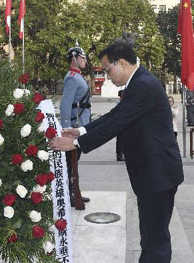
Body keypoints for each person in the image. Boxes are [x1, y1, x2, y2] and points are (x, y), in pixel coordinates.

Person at [49, 42, 184, 263]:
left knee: (155, 240)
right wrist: (80, 131)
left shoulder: (144, 85)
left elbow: (117, 123)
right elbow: (114, 115)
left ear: (121, 63)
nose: (107, 76)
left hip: (158, 173)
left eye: (107, 70)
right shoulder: (139, 82)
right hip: (153, 173)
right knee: (151, 236)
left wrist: (76, 144)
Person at [59, 42, 92, 202]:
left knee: (75, 160)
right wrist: (66, 127)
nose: (85, 60)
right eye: (82, 58)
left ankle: (74, 191)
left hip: (81, 124)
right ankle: (70, 193)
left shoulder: (78, 76)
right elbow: (65, 104)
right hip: (74, 125)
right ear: (75, 58)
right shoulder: (71, 78)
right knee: (70, 161)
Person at [115, 90, 126, 160]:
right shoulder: (119, 103)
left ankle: (121, 154)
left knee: (122, 140)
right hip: (120, 124)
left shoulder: (121, 102)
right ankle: (119, 155)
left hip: (122, 123)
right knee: (120, 140)